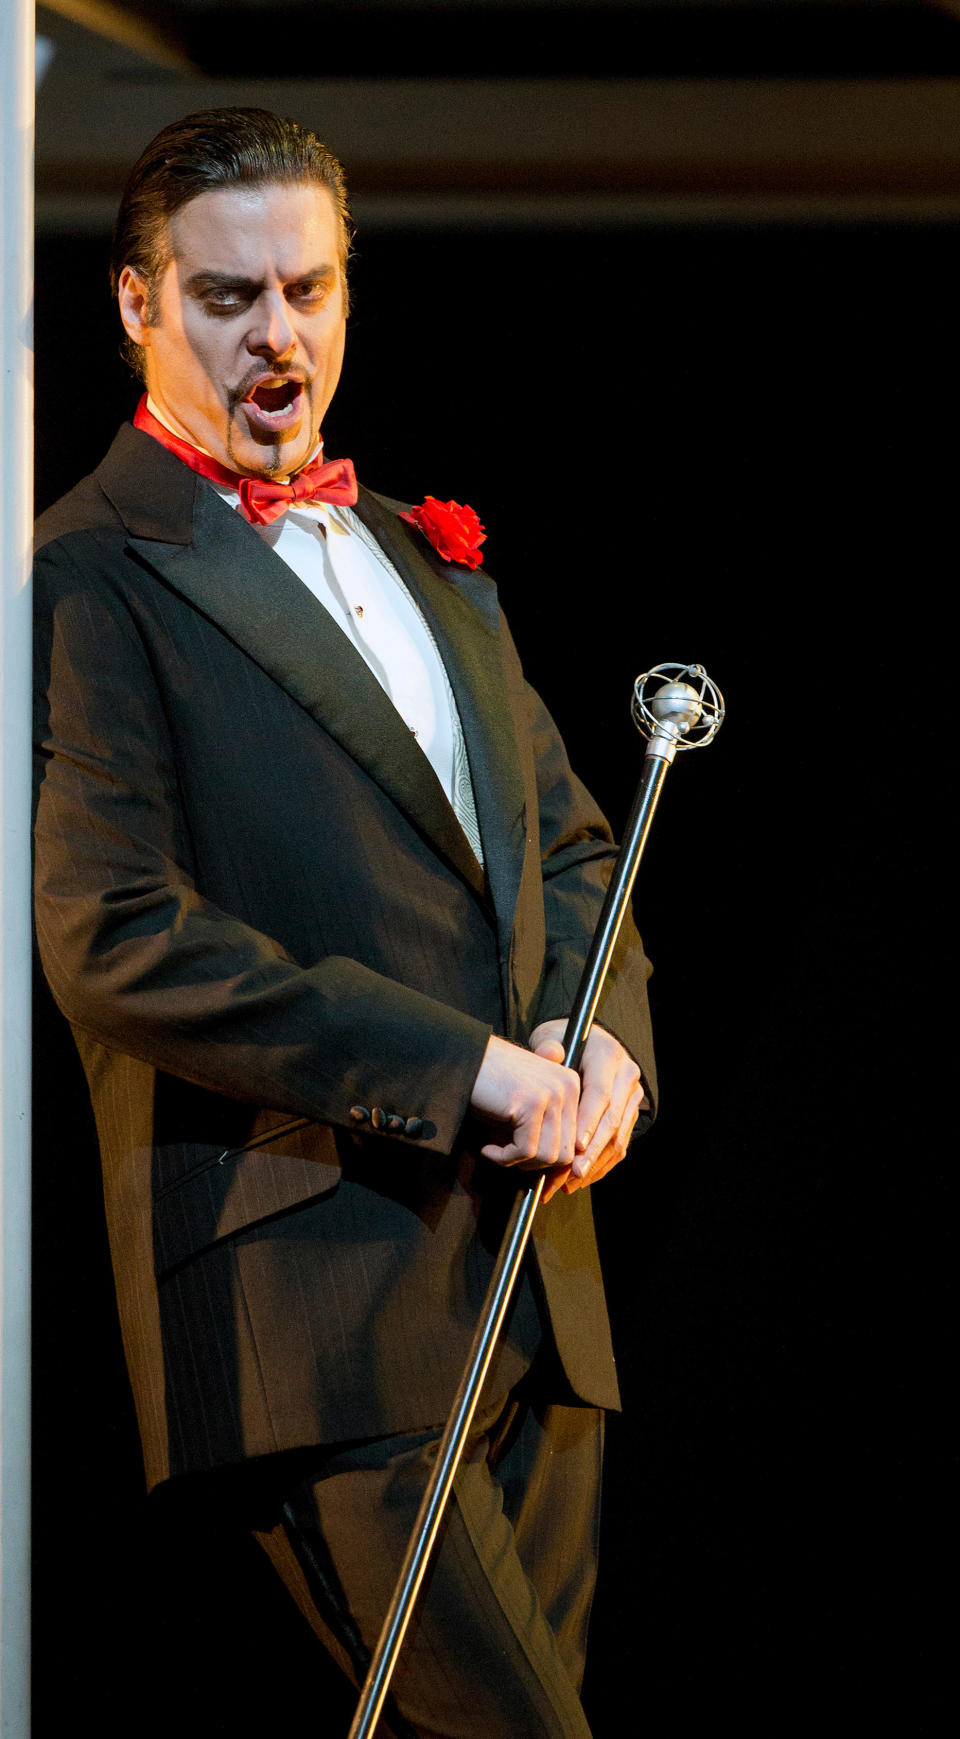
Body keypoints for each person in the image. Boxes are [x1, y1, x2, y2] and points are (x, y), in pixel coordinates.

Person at [32, 107, 657, 1738]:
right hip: (324, 1297)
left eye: (308, 291)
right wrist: (466, 1071)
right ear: (137, 306)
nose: (279, 336)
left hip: (537, 1276)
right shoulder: (90, 574)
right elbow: (112, 936)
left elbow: (574, 848)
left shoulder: (423, 559)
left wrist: (605, 1045)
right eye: (231, 298)